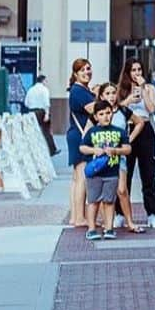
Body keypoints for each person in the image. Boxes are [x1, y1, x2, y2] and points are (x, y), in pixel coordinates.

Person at [117, 58, 155, 228]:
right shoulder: (121, 89)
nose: (137, 73)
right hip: (127, 130)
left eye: (139, 69)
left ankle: (152, 213)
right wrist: (128, 100)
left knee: (148, 174)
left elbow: (152, 109)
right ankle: (120, 212)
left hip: (145, 130)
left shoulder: (150, 88)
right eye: (133, 70)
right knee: (124, 173)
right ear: (128, 72)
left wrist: (143, 90)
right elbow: (115, 109)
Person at [79, 99, 131, 240]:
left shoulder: (119, 131)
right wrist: (94, 150)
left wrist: (115, 150)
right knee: (93, 201)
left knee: (109, 201)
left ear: (112, 113)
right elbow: (82, 147)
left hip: (112, 173)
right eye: (101, 114)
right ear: (95, 116)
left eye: (108, 113)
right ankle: (91, 228)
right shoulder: (92, 132)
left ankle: (109, 228)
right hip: (94, 173)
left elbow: (127, 149)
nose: (105, 116)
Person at [98, 82, 145, 234]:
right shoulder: (99, 112)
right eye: (107, 93)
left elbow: (140, 122)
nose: (111, 96)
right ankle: (107, 223)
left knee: (122, 190)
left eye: (113, 93)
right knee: (104, 190)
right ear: (101, 96)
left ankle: (130, 222)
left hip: (119, 156)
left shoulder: (123, 110)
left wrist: (129, 138)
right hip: (102, 157)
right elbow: (88, 130)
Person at [66, 58, 95, 227]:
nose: (86, 72)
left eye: (88, 69)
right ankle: (79, 218)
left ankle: (75, 216)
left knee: (76, 178)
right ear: (75, 74)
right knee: (82, 178)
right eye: (82, 70)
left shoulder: (80, 90)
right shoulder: (79, 91)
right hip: (81, 135)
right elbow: (95, 110)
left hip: (76, 135)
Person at [24, 73, 58, 157]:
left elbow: (26, 103)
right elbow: (46, 103)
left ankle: (32, 150)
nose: (46, 82)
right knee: (46, 131)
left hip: (31, 112)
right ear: (43, 81)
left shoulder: (30, 90)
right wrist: (47, 114)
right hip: (41, 112)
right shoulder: (44, 89)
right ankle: (52, 150)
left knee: (32, 132)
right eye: (46, 81)